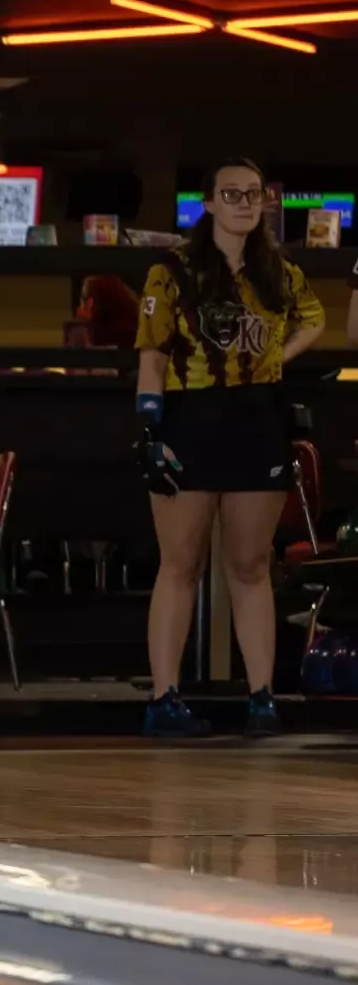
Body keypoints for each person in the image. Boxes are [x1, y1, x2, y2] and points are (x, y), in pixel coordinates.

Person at [136, 158, 322, 738]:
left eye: (254, 194)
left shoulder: (280, 272)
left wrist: (272, 361)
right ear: (208, 203)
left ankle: (261, 697)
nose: (245, 203)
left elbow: (314, 320)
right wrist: (148, 428)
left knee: (250, 564)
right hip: (190, 419)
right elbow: (152, 354)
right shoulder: (172, 272)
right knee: (180, 563)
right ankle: (165, 699)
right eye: (231, 193)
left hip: (255, 421)